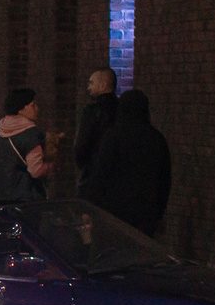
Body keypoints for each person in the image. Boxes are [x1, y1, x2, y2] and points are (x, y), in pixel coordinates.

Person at [82, 89, 173, 238]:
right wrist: (159, 213)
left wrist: (91, 207)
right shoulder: (156, 139)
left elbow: (100, 174)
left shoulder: (113, 137)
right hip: (146, 214)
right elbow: (164, 180)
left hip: (115, 214)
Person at [0, 87, 51, 204]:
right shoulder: (31, 133)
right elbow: (36, 171)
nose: (37, 109)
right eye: (33, 105)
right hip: (22, 199)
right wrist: (50, 166)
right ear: (21, 109)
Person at [71, 68, 119, 192]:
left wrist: (83, 165)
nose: (88, 87)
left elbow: (80, 145)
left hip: (92, 176)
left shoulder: (91, 112)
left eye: (91, 83)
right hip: (117, 177)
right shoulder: (122, 111)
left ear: (103, 85)